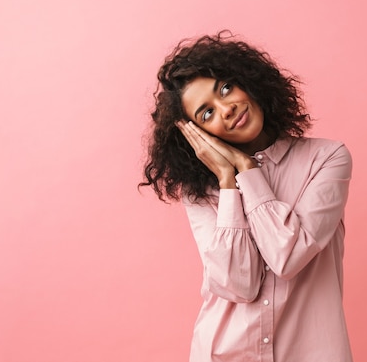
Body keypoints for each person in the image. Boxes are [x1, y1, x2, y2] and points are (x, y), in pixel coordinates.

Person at [141, 31, 354, 362]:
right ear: (198, 135)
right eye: (207, 114)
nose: (226, 109)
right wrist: (228, 180)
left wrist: (246, 170)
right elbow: (239, 285)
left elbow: (288, 256)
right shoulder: (202, 193)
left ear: (248, 80)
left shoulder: (326, 159)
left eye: (226, 88)